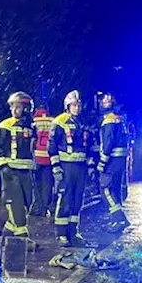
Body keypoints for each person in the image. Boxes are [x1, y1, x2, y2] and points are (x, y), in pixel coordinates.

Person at [49, 90, 92, 247]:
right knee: (65, 199)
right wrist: (56, 166)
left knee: (77, 200)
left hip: (80, 167)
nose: (77, 108)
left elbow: (87, 146)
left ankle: (73, 232)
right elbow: (52, 144)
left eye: (78, 105)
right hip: (66, 167)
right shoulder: (60, 121)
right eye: (74, 105)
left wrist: (91, 166)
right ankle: (61, 233)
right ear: (68, 106)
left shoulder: (81, 123)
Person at [0, 91, 36, 238]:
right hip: (10, 171)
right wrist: (3, 165)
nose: (14, 110)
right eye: (12, 107)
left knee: (27, 203)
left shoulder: (31, 127)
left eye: (18, 107)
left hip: (26, 171)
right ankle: (22, 238)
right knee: (15, 204)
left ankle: (7, 235)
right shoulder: (5, 126)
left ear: (26, 109)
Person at [97, 92, 131, 232]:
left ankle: (119, 218)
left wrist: (102, 162)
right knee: (115, 189)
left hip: (112, 161)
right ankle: (116, 222)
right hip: (120, 160)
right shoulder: (120, 119)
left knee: (106, 189)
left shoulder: (109, 120)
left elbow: (108, 142)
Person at [30, 104, 55, 218]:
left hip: (37, 157)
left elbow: (32, 141)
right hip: (49, 157)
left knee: (36, 185)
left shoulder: (34, 121)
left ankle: (38, 207)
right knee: (48, 184)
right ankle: (46, 207)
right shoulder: (53, 121)